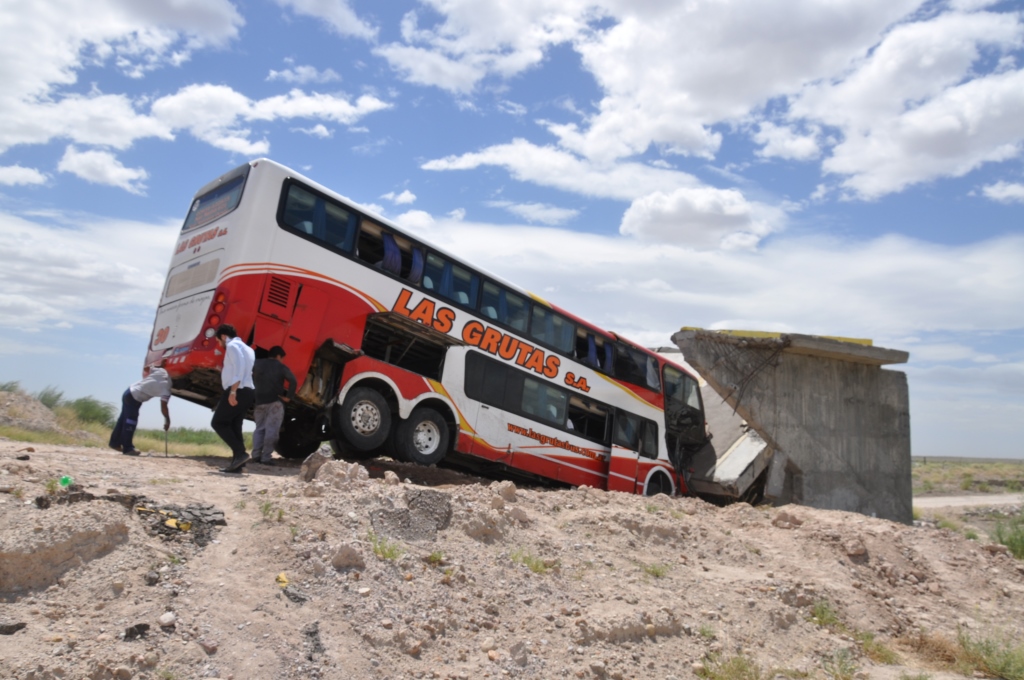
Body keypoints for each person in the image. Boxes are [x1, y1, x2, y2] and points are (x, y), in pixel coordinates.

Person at [211, 323, 255, 473]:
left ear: (224, 336)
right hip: (248, 391)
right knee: (235, 426)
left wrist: (233, 391)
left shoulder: (232, 346)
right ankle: (238, 464)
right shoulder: (248, 349)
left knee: (218, 423)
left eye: (218, 341)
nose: (219, 344)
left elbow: (239, 369)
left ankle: (241, 453)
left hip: (238, 389)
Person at [110, 360, 171, 456]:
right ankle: (128, 449)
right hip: (134, 397)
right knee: (131, 421)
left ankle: (114, 443)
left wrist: (158, 366)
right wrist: (167, 420)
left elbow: (146, 368)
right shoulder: (167, 389)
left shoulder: (161, 371)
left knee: (123, 420)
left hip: (129, 392)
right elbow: (164, 407)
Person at [251, 345, 297, 465]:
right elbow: (293, 381)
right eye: (282, 358)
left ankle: (256, 455)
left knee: (259, 429)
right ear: (278, 356)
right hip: (275, 402)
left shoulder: (256, 363)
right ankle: (266, 458)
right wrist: (288, 397)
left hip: (259, 401)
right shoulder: (281, 367)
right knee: (271, 430)